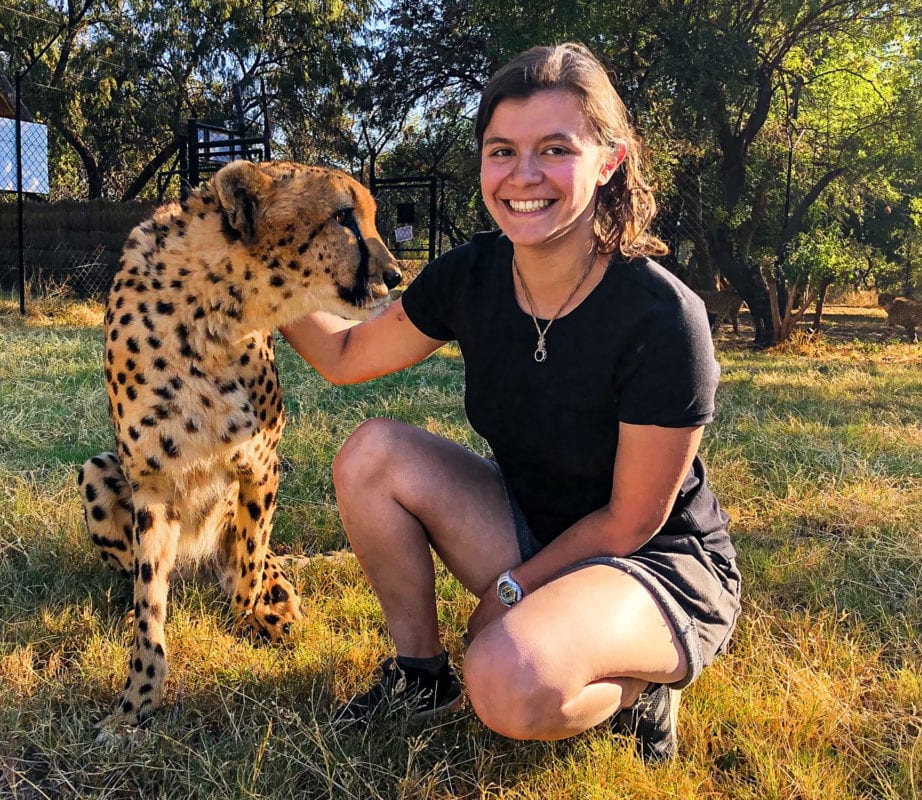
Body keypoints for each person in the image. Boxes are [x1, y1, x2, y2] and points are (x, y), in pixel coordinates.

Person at [279, 42, 741, 762]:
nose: (524, 176)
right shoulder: (472, 277)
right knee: (373, 454)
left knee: (504, 680)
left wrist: (512, 590)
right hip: (532, 523)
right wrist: (251, 276)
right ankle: (419, 675)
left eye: (555, 149)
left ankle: (642, 685)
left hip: (653, 562)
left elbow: (629, 520)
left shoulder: (661, 318)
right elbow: (343, 356)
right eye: (502, 151)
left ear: (608, 161)